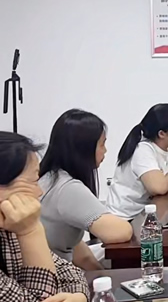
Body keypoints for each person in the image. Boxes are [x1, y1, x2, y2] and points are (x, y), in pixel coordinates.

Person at [0, 131, 90, 302]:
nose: (39, 192)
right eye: (33, 181)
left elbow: (67, 271)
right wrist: (31, 231)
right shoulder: (24, 226)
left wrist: (79, 297)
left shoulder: (10, 227)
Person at [39, 109, 133, 271]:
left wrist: (104, 276)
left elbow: (78, 251)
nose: (105, 150)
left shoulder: (49, 177)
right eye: (102, 144)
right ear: (84, 148)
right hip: (55, 275)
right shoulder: (67, 188)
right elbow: (119, 232)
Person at [106, 103, 168, 219]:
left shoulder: (167, 147)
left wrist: (167, 179)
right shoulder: (142, 150)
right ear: (162, 134)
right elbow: (158, 188)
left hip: (145, 212)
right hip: (125, 217)